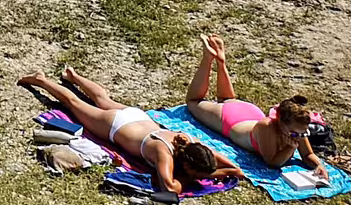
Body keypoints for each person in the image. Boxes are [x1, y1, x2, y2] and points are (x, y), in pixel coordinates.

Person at [19, 68, 242, 195]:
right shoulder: (163, 154)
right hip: (115, 125)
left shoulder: (191, 142)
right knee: (73, 103)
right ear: (187, 165)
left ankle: (73, 76)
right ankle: (41, 80)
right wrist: (212, 175)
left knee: (102, 98)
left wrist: (214, 171)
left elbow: (236, 170)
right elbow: (171, 188)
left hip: (138, 117)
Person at [186, 34, 329, 184]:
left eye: (302, 133)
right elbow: (272, 162)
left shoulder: (297, 126)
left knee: (227, 100)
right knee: (193, 102)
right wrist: (289, 148)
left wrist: (319, 165)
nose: (299, 136)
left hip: (248, 112)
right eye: (295, 133)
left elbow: (308, 155)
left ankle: (221, 61)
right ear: (281, 123)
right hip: (230, 119)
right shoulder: (266, 128)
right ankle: (207, 59)